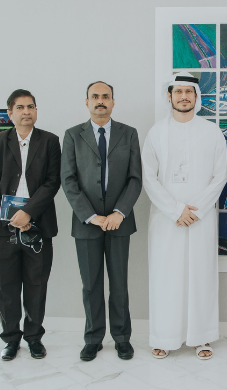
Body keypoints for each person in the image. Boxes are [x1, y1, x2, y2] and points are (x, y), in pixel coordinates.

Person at [142, 72, 227, 360]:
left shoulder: (212, 132)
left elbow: (220, 176)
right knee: (166, 276)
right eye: (178, 91)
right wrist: (176, 210)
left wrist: (196, 210)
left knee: (201, 276)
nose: (183, 96)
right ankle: (164, 337)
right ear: (169, 96)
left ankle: (201, 337)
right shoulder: (156, 133)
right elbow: (149, 178)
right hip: (166, 219)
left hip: (201, 219)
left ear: (196, 96)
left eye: (189, 91)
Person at [61, 81, 142, 361]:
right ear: (87, 102)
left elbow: (135, 179)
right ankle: (93, 338)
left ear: (113, 102)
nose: (100, 101)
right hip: (86, 223)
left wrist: (119, 213)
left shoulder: (129, 134)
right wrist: (92, 216)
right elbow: (68, 180)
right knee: (91, 285)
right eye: (95, 96)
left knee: (119, 284)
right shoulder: (73, 135)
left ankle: (122, 338)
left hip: (120, 222)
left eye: (105, 96)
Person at [0, 89, 61, 360]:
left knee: (36, 286)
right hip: (4, 229)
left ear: (36, 111)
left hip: (39, 225)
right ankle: (11, 339)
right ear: (10, 113)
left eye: (31, 106)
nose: (26, 111)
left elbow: (52, 182)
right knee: (6, 287)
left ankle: (34, 337)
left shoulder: (50, 141)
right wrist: (10, 217)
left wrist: (28, 213)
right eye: (20, 107)